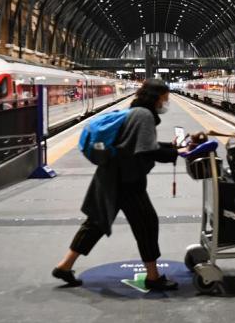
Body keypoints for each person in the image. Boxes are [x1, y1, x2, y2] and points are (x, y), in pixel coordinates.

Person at [52, 79, 184, 290]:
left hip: (109, 175)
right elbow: (147, 151)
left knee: (96, 222)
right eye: (164, 98)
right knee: (146, 224)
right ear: (156, 98)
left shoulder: (135, 112)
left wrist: (170, 147)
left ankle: (64, 266)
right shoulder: (144, 115)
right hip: (127, 180)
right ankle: (153, 277)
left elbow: (135, 143)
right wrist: (176, 153)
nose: (165, 103)